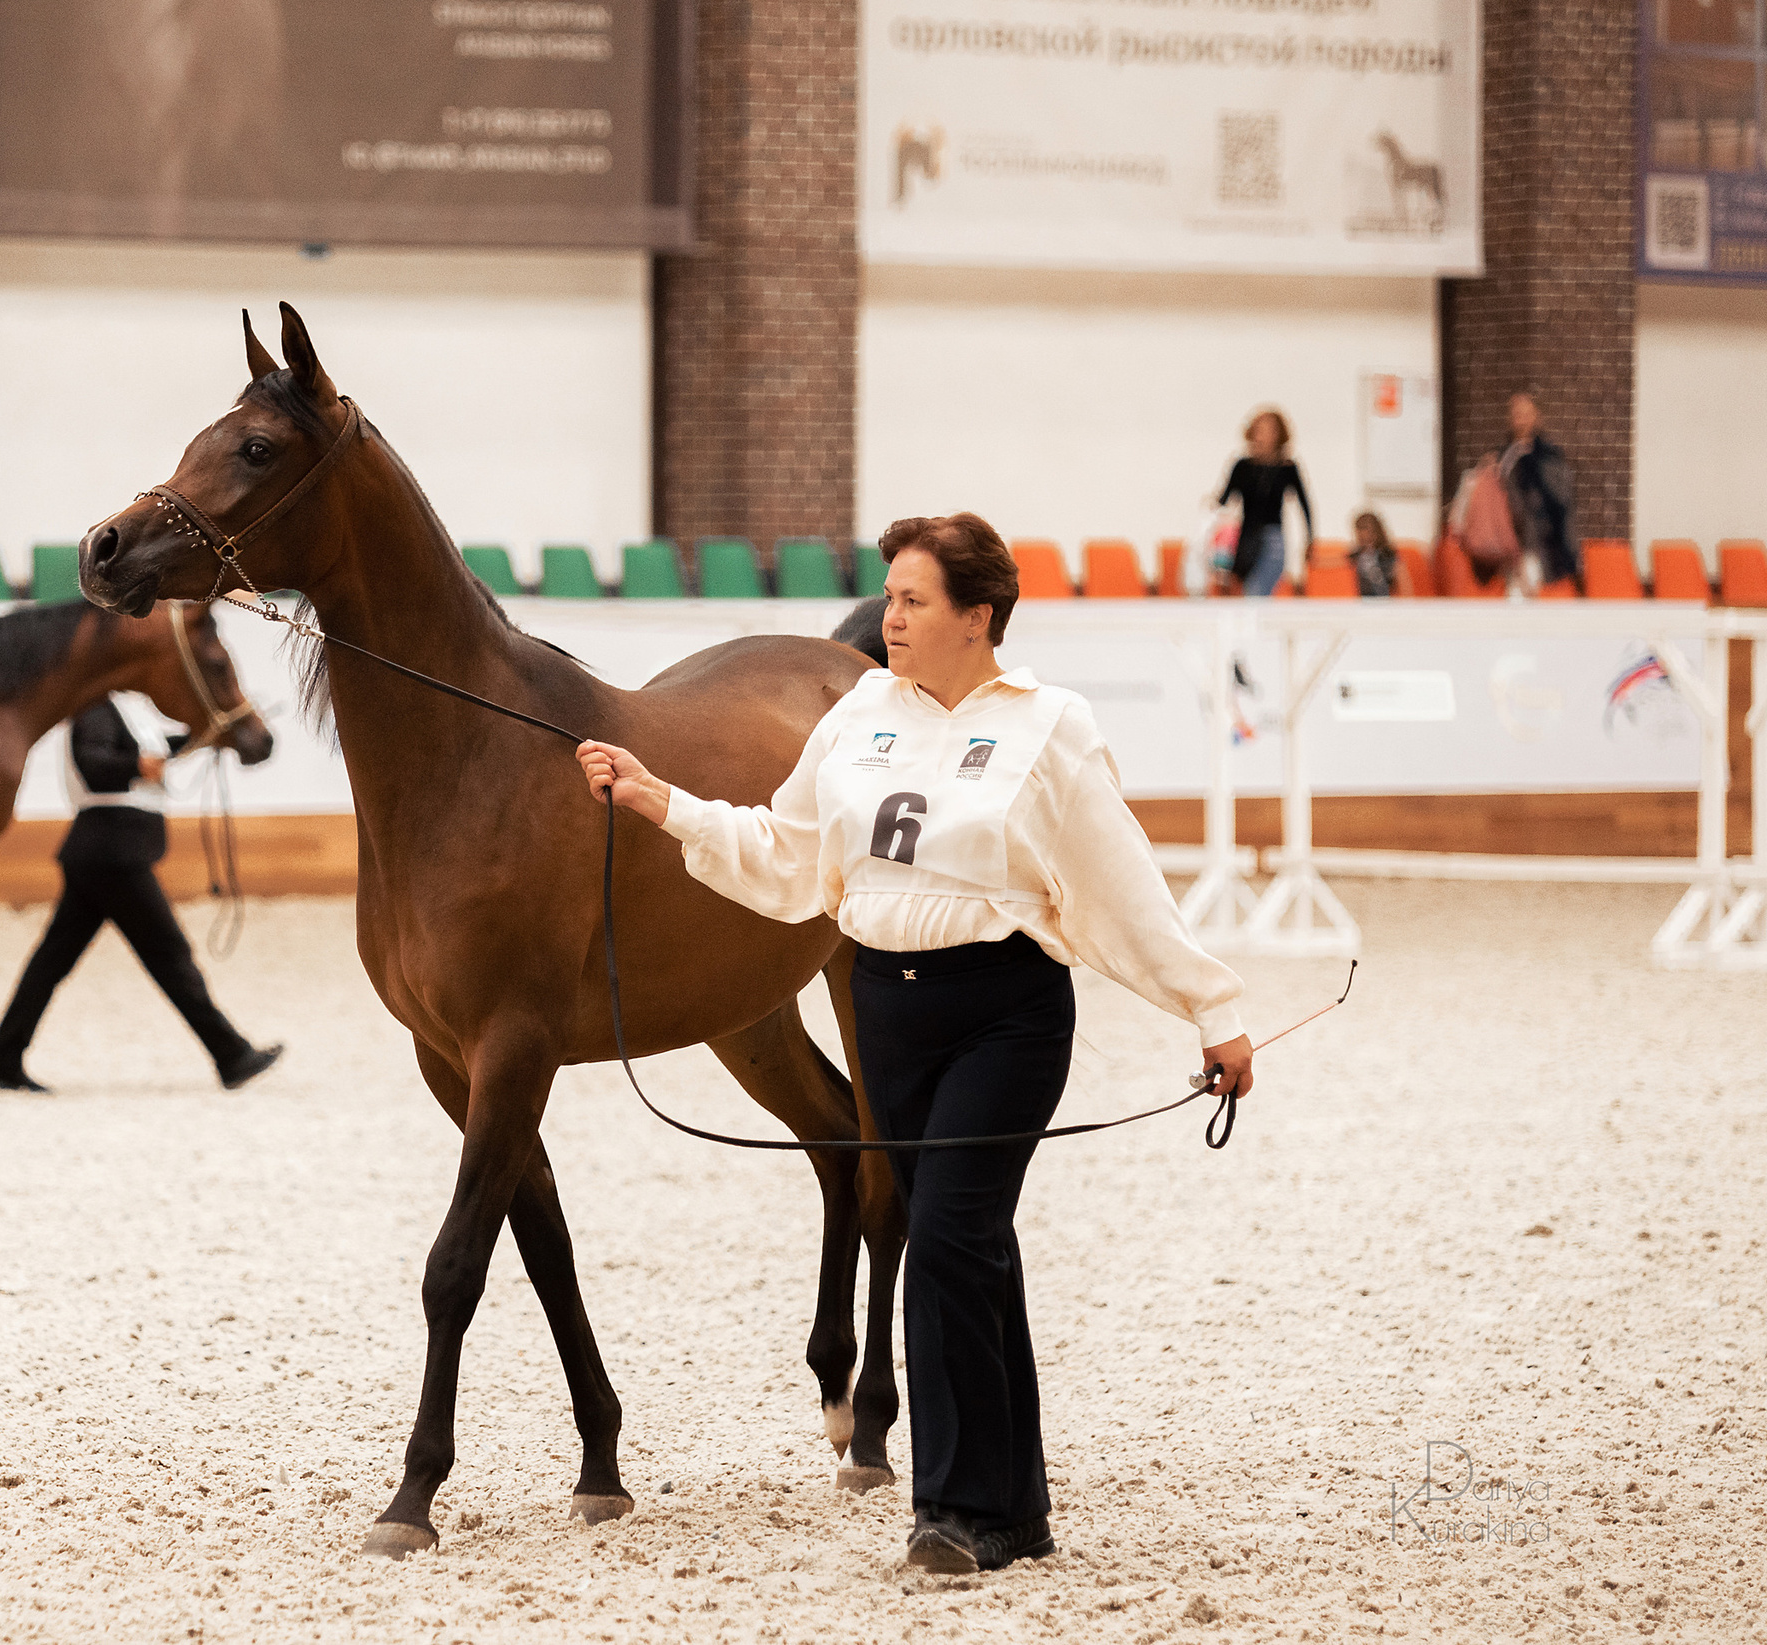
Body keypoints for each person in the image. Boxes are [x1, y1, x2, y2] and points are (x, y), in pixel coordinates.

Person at [573, 512, 1254, 1577]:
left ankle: (948, 1509)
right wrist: (662, 801)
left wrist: (1213, 1010)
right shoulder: (856, 717)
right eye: (887, 597)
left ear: (977, 616)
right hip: (889, 1016)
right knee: (974, 1248)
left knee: (943, 1240)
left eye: (912, 601)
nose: (886, 618)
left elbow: (1122, 888)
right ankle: (1018, 1510)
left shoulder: (1050, 728)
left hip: (1004, 1013)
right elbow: (787, 852)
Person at [0, 695, 282, 1094]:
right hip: (114, 852)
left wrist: (202, 737)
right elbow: (93, 763)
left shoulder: (127, 709)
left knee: (51, 963)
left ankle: (3, 1061)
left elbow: (152, 749)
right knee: (169, 954)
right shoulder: (95, 709)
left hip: (106, 853)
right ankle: (231, 1054)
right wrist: (137, 767)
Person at [1215, 409, 1312, 595]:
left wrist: (1309, 540)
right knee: (1250, 592)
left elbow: (1304, 504)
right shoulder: (1242, 466)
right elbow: (1225, 499)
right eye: (1259, 430)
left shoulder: (1287, 467)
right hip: (1246, 538)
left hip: (1272, 537)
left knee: (1257, 591)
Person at [1499, 392, 1579, 596]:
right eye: (1517, 414)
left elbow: (1562, 501)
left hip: (1539, 544)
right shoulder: (1503, 457)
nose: (1521, 420)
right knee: (1516, 601)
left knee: (1529, 600)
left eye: (1526, 414)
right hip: (1509, 544)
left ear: (1536, 417)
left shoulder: (1549, 457)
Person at [1351, 511, 1401, 598]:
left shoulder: (1388, 555)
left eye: (1369, 540)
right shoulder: (1357, 555)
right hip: (1364, 600)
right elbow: (1337, 561)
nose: (1367, 544)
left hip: (1385, 600)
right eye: (1362, 539)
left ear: (1377, 533)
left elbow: (1403, 581)